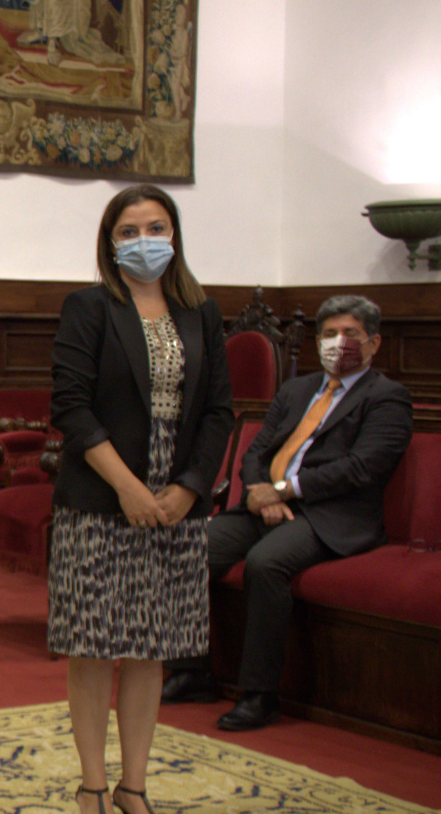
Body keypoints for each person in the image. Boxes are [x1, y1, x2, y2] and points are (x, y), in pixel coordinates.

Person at [48, 184, 233, 814]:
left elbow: (218, 411)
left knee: (150, 648)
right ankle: (93, 785)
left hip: (175, 502)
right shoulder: (91, 307)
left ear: (175, 235)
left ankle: (135, 786)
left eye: (156, 227)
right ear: (110, 242)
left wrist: (189, 487)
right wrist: (128, 486)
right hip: (103, 497)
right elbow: (70, 407)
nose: (144, 240)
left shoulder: (200, 312)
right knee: (97, 647)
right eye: (129, 231)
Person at [163, 295, 413, 731]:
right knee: (186, 547)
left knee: (267, 563)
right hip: (263, 505)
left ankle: (260, 695)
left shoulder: (387, 398)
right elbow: (257, 450)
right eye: (330, 334)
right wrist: (263, 492)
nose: (339, 343)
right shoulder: (297, 389)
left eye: (350, 335)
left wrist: (284, 490)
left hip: (331, 517)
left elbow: (363, 468)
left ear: (373, 344)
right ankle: (191, 672)